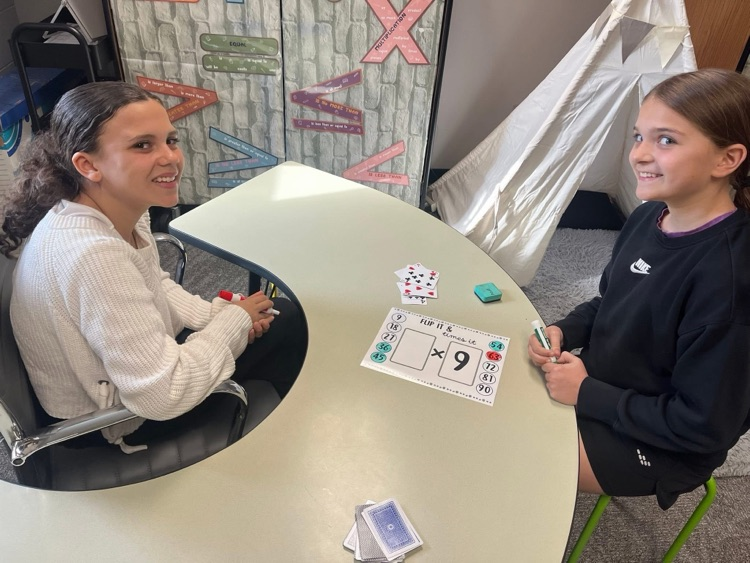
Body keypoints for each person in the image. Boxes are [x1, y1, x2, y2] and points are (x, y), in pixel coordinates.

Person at [1, 81, 306, 451]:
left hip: (124, 375)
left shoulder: (112, 206)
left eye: (170, 140)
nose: (170, 157)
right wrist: (234, 322)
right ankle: (286, 445)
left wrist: (214, 315)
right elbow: (164, 395)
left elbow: (153, 283)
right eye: (142, 145)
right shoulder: (93, 256)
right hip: (110, 421)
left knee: (276, 317)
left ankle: (280, 429)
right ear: (88, 164)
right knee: (289, 325)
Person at [528, 68, 750, 509]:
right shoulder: (649, 216)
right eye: (638, 137)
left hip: (663, 443)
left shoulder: (729, 281)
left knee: (510, 456)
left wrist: (587, 393)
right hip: (600, 384)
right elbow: (611, 301)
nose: (639, 155)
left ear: (727, 159)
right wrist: (565, 330)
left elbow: (702, 426)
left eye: (665, 140)